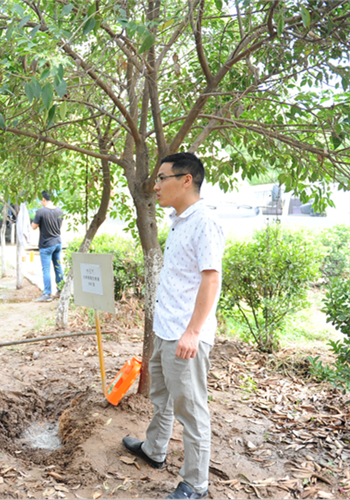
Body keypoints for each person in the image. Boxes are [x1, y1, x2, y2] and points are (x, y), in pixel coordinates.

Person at [121, 152, 225, 499]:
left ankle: (195, 483)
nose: (155, 186)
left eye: (162, 178)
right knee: (162, 397)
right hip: (166, 330)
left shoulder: (204, 222)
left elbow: (211, 279)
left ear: (186, 180)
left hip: (186, 335)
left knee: (191, 410)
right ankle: (154, 449)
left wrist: (193, 332)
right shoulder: (178, 220)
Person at [31, 190, 64, 302]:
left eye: (41, 199)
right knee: (58, 267)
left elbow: (34, 227)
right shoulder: (60, 211)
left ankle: (47, 294)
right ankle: (61, 290)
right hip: (58, 243)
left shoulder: (40, 212)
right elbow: (60, 227)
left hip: (46, 245)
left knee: (46, 269)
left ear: (44, 200)